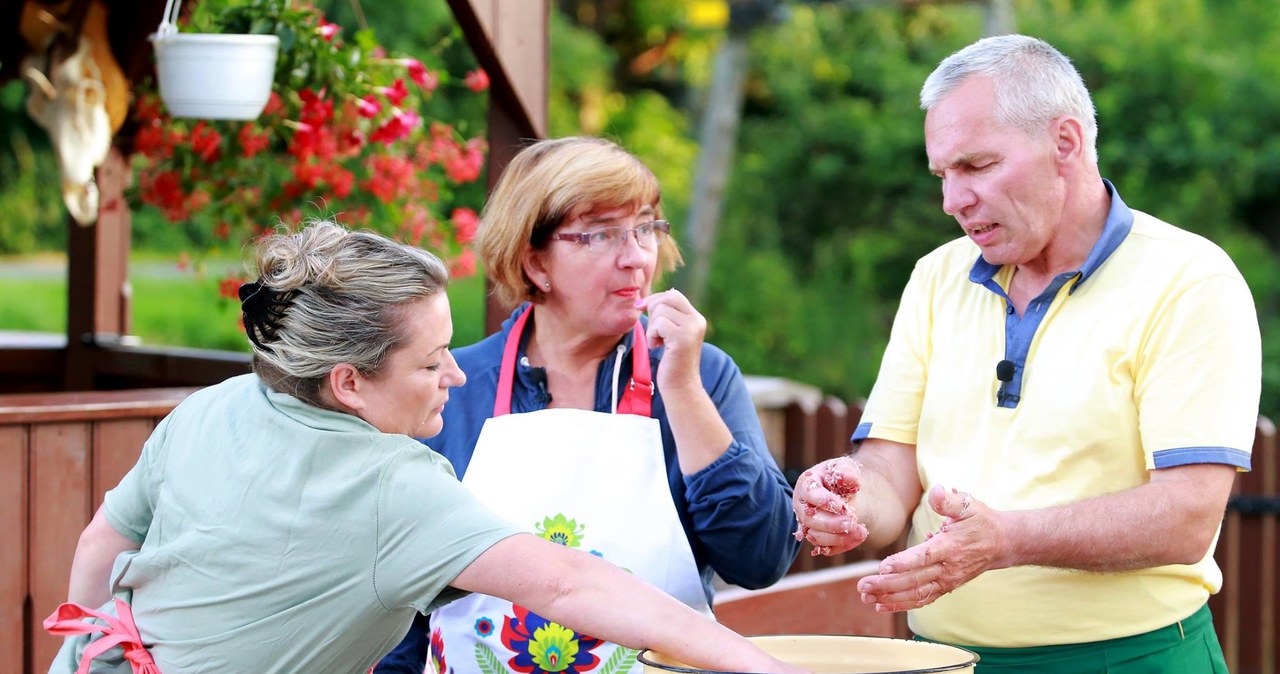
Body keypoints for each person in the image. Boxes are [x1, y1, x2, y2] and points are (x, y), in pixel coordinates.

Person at [45, 221, 806, 674]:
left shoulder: (215, 406)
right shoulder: (391, 483)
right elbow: (570, 584)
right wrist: (757, 665)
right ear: (348, 383)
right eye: (429, 359)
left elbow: (102, 540)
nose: (453, 372)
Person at [791, 34, 1260, 673]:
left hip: (1132, 660)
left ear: (1065, 142)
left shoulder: (1190, 278)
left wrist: (1005, 541)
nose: (953, 201)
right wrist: (848, 502)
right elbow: (889, 473)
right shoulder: (935, 275)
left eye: (977, 166)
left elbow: (1186, 517)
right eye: (943, 175)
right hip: (939, 660)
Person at [377, 136, 802, 674]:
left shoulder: (702, 373)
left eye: (646, 228)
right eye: (601, 234)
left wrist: (683, 391)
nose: (636, 258)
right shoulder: (453, 384)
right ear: (535, 263)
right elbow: (398, 603)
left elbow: (760, 558)